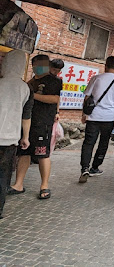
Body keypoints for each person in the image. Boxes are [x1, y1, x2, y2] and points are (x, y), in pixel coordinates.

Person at [10, 54, 62, 200]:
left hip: (43, 123)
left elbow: (54, 98)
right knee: (24, 152)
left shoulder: (54, 80)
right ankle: (18, 184)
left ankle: (44, 186)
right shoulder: (31, 81)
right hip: (27, 122)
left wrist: (32, 95)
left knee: (42, 154)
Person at [79, 55, 114, 183]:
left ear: (105, 65)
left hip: (93, 115)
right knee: (103, 142)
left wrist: (84, 113)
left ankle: (84, 168)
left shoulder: (96, 78)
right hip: (109, 117)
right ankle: (95, 167)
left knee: (89, 142)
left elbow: (87, 98)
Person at [0, 50, 32, 218]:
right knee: (3, 175)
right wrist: (25, 137)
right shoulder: (25, 88)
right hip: (11, 139)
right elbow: (26, 117)